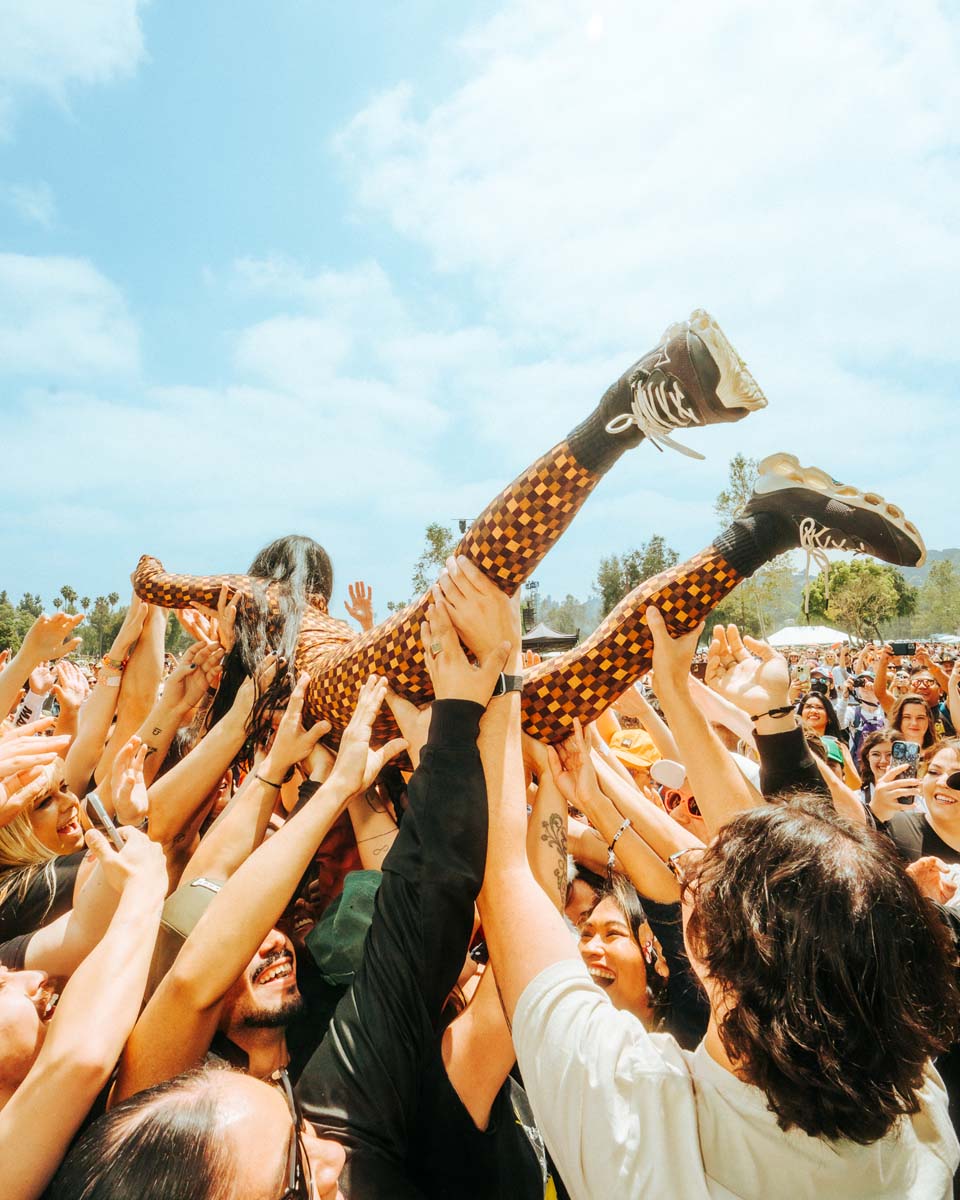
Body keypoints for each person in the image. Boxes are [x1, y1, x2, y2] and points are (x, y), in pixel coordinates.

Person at [477, 596, 960, 1199]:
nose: (696, 861)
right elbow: (779, 876)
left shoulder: (640, 1116)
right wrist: (683, 698)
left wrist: (498, 682)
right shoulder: (914, 1109)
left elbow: (508, 881)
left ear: (700, 943)